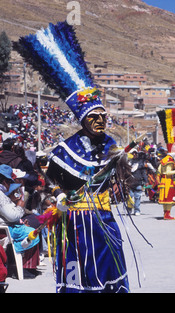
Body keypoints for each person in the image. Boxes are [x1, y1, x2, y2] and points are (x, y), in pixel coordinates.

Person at [15, 21, 129, 292]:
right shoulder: (66, 149)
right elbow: (53, 182)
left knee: (109, 271)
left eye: (103, 116)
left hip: (104, 221)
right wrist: (60, 195)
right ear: (83, 119)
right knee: (79, 274)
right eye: (94, 117)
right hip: (75, 223)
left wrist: (120, 178)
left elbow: (123, 182)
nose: (100, 121)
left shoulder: (113, 147)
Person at [0, 164, 40, 279]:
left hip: (7, 226)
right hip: (5, 229)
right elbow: (12, 216)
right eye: (9, 182)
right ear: (4, 182)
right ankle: (25, 267)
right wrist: (20, 206)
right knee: (32, 233)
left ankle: (22, 266)